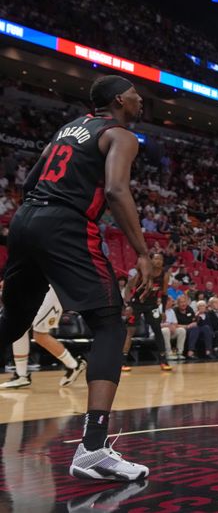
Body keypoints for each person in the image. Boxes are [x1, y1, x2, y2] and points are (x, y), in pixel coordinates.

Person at [0, 75, 152, 480]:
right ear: (120, 100)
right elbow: (118, 191)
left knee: (13, 323)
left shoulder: (69, 128)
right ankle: (92, 448)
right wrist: (142, 252)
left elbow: (31, 181)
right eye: (136, 94)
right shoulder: (120, 135)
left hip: (26, 219)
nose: (141, 100)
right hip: (65, 224)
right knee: (109, 324)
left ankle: (94, 447)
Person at [0, 286, 87, 389]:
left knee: (39, 334)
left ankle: (74, 364)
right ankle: (21, 375)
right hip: (34, 288)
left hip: (51, 289)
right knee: (19, 327)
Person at [125, 252, 172, 371]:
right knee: (130, 331)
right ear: (151, 261)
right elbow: (128, 287)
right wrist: (128, 305)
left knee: (158, 331)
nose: (158, 261)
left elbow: (165, 294)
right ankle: (122, 361)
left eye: (160, 259)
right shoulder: (143, 272)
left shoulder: (164, 275)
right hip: (136, 304)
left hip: (152, 305)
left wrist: (163, 310)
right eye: (156, 259)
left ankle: (163, 360)